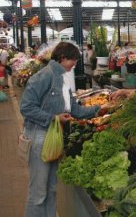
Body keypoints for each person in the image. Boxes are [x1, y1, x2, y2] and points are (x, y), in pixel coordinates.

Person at [20, 42, 103, 217]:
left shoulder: (63, 79)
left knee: (50, 189)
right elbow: (26, 107)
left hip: (53, 137)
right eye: (73, 60)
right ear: (63, 57)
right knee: (38, 192)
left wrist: (101, 108)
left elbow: (76, 111)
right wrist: (53, 118)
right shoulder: (43, 76)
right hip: (39, 136)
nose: (75, 64)